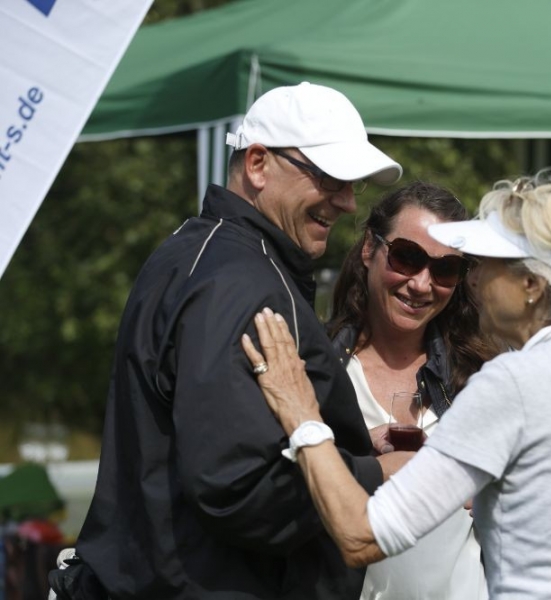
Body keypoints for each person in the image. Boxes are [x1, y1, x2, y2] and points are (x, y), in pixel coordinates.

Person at [242, 174, 551, 599]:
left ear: (531, 284)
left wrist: (301, 413)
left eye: (487, 264)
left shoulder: (511, 384)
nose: (475, 279)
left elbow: (360, 536)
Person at [67, 82, 409, 599]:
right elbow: (239, 489)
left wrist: (346, 447)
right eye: (329, 178)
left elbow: (222, 446)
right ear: (257, 164)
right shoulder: (241, 283)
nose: (345, 202)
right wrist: (375, 473)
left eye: (352, 184)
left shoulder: (199, 251)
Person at [327, 181, 496, 599]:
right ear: (370, 249)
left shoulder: (483, 379)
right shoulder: (320, 369)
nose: (421, 284)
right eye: (407, 257)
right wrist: (357, 462)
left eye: (445, 269)